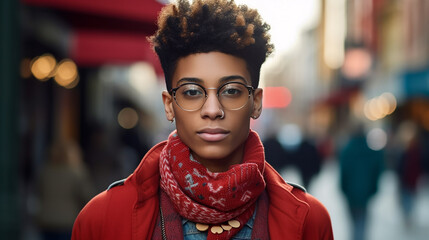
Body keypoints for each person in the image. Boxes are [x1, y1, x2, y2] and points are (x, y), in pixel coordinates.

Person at [72, 0, 333, 239]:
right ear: (169, 105)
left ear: (256, 102)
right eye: (192, 92)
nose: (212, 109)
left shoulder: (310, 220)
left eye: (231, 91)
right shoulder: (101, 220)